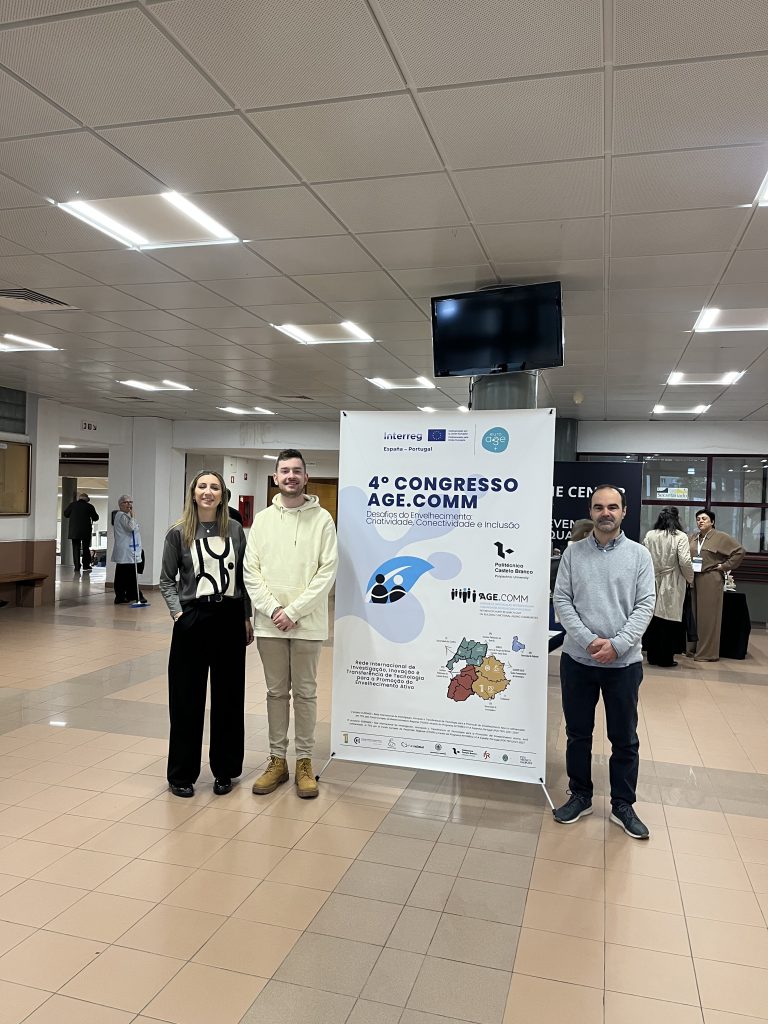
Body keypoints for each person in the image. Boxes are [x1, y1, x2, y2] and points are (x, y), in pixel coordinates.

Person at [553, 484, 655, 839]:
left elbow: (645, 605)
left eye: (612, 507)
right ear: (591, 512)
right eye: (599, 507)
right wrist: (588, 640)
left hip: (623, 665)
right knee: (578, 734)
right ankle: (580, 796)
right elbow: (562, 600)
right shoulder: (573, 553)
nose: (605, 513)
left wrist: (618, 645)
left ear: (624, 511)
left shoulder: (640, 555)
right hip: (578, 661)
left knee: (624, 738)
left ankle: (623, 805)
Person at [244, 449, 338, 799]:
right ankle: (277, 761)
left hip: (307, 623)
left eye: (297, 470)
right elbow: (251, 571)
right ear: (276, 477)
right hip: (270, 624)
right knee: (275, 693)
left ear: (306, 477)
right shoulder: (263, 520)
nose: (291, 476)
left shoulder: (323, 520)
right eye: (285, 471)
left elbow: (327, 572)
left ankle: (304, 763)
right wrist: (273, 610)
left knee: (305, 693)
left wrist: (294, 611)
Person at [159, 470, 254, 798]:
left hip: (229, 617)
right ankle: (181, 774)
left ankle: (225, 770)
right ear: (193, 492)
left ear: (222, 494)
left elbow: (243, 579)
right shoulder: (178, 532)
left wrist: (246, 616)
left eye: (214, 487)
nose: (208, 492)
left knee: (229, 697)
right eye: (202, 486)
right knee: (186, 698)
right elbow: (166, 580)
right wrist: (179, 614)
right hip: (193, 619)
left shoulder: (235, 530)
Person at [689, 508, 745, 662]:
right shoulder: (693, 537)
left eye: (704, 519)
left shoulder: (721, 537)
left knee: (708, 616)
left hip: (710, 577)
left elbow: (739, 551)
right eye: (698, 519)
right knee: (694, 614)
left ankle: (707, 653)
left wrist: (724, 566)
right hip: (694, 577)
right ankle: (692, 648)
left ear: (712, 522)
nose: (700, 521)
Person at [642, 506, 694, 667]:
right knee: (669, 620)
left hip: (652, 579)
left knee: (653, 619)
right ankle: (665, 658)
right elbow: (685, 561)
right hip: (672, 580)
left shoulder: (650, 535)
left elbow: (644, 556)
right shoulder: (680, 536)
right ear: (677, 519)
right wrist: (690, 578)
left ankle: (652, 656)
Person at [111, 495, 146, 605]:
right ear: (120, 504)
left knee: (125, 575)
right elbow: (130, 528)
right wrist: (133, 517)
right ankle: (134, 595)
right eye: (126, 502)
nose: (129, 505)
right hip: (126, 552)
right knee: (128, 574)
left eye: (130, 502)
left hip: (129, 551)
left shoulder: (125, 516)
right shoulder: (122, 516)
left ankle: (126, 595)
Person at [63, 491, 99, 573]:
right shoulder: (89, 506)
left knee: (76, 548)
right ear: (87, 500)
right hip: (86, 531)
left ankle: (77, 566)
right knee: (86, 547)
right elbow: (96, 517)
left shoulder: (72, 505)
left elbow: (66, 514)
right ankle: (86, 565)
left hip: (74, 531)